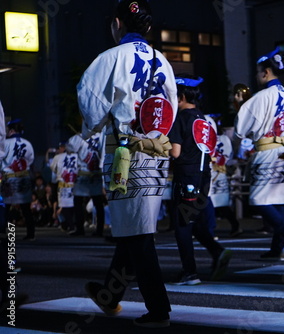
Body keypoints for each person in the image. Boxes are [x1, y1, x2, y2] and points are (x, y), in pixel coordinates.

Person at [77, 0, 177, 328]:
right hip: (156, 152)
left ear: (118, 23)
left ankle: (159, 308)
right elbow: (170, 107)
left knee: (137, 233)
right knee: (134, 225)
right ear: (147, 27)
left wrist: (92, 126)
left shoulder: (110, 58)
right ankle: (110, 293)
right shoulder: (163, 61)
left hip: (126, 152)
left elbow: (90, 104)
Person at [234, 47, 284, 261]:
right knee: (279, 197)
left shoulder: (262, 96)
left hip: (267, 149)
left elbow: (240, 128)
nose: (257, 77)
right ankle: (279, 248)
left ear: (265, 72)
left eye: (258, 73)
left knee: (259, 199)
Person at [169, 75, 232, 285]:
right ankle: (217, 251)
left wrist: (159, 146)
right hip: (205, 175)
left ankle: (190, 272)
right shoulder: (203, 119)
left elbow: (176, 152)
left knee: (181, 225)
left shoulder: (181, 118)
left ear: (181, 97)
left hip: (186, 175)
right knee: (192, 222)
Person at [206, 115, 242, 237]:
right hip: (218, 171)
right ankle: (210, 227)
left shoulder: (220, 139)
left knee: (219, 202)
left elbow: (226, 156)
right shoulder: (224, 139)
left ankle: (233, 226)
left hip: (217, 171)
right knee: (216, 202)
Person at [65, 132, 106, 237]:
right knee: (98, 203)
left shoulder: (81, 136)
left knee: (78, 202)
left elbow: (69, 149)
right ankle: (99, 230)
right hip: (97, 174)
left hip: (84, 174)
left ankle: (80, 229)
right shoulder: (102, 135)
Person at [1, 119, 35, 241]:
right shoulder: (28, 143)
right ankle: (31, 234)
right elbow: (30, 161)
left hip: (9, 179)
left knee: (7, 207)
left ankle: (8, 234)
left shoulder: (5, 143)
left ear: (11, 130)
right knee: (26, 207)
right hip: (24, 177)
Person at [50, 141, 77, 233]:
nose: (60, 149)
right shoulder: (76, 156)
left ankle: (70, 225)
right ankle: (69, 225)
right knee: (71, 206)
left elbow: (53, 168)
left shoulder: (57, 157)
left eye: (62, 147)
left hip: (64, 184)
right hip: (74, 184)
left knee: (65, 206)